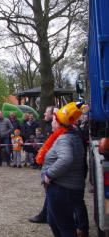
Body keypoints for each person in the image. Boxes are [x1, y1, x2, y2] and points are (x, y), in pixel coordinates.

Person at [37, 102, 87, 237]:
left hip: (62, 189)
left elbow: (66, 159)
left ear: (59, 123)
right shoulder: (73, 135)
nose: (52, 122)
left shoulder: (64, 138)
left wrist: (48, 174)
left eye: (54, 119)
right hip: (70, 187)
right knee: (53, 221)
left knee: (66, 227)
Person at [29, 106, 57, 224]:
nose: (44, 113)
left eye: (46, 112)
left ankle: (80, 225)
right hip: (50, 165)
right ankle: (45, 214)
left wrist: (51, 171)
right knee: (50, 192)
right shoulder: (48, 125)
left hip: (54, 167)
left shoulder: (56, 128)